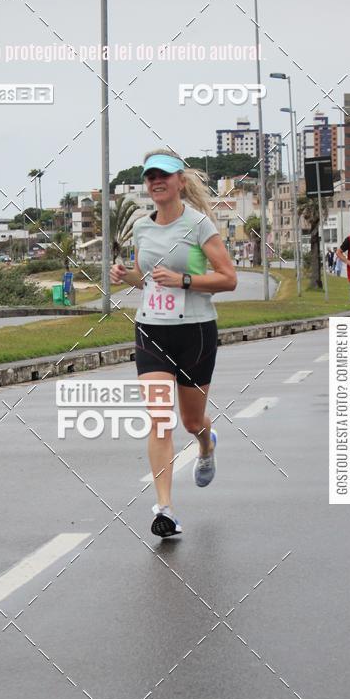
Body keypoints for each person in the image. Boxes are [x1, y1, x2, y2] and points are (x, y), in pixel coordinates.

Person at [110, 149, 237, 538]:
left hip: (195, 331)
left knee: (191, 420)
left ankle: (206, 445)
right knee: (160, 418)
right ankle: (164, 508)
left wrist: (184, 280)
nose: (156, 182)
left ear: (180, 181)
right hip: (151, 329)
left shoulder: (199, 225)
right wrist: (127, 275)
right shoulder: (142, 227)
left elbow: (228, 278)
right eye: (150, 177)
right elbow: (148, 278)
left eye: (163, 175)